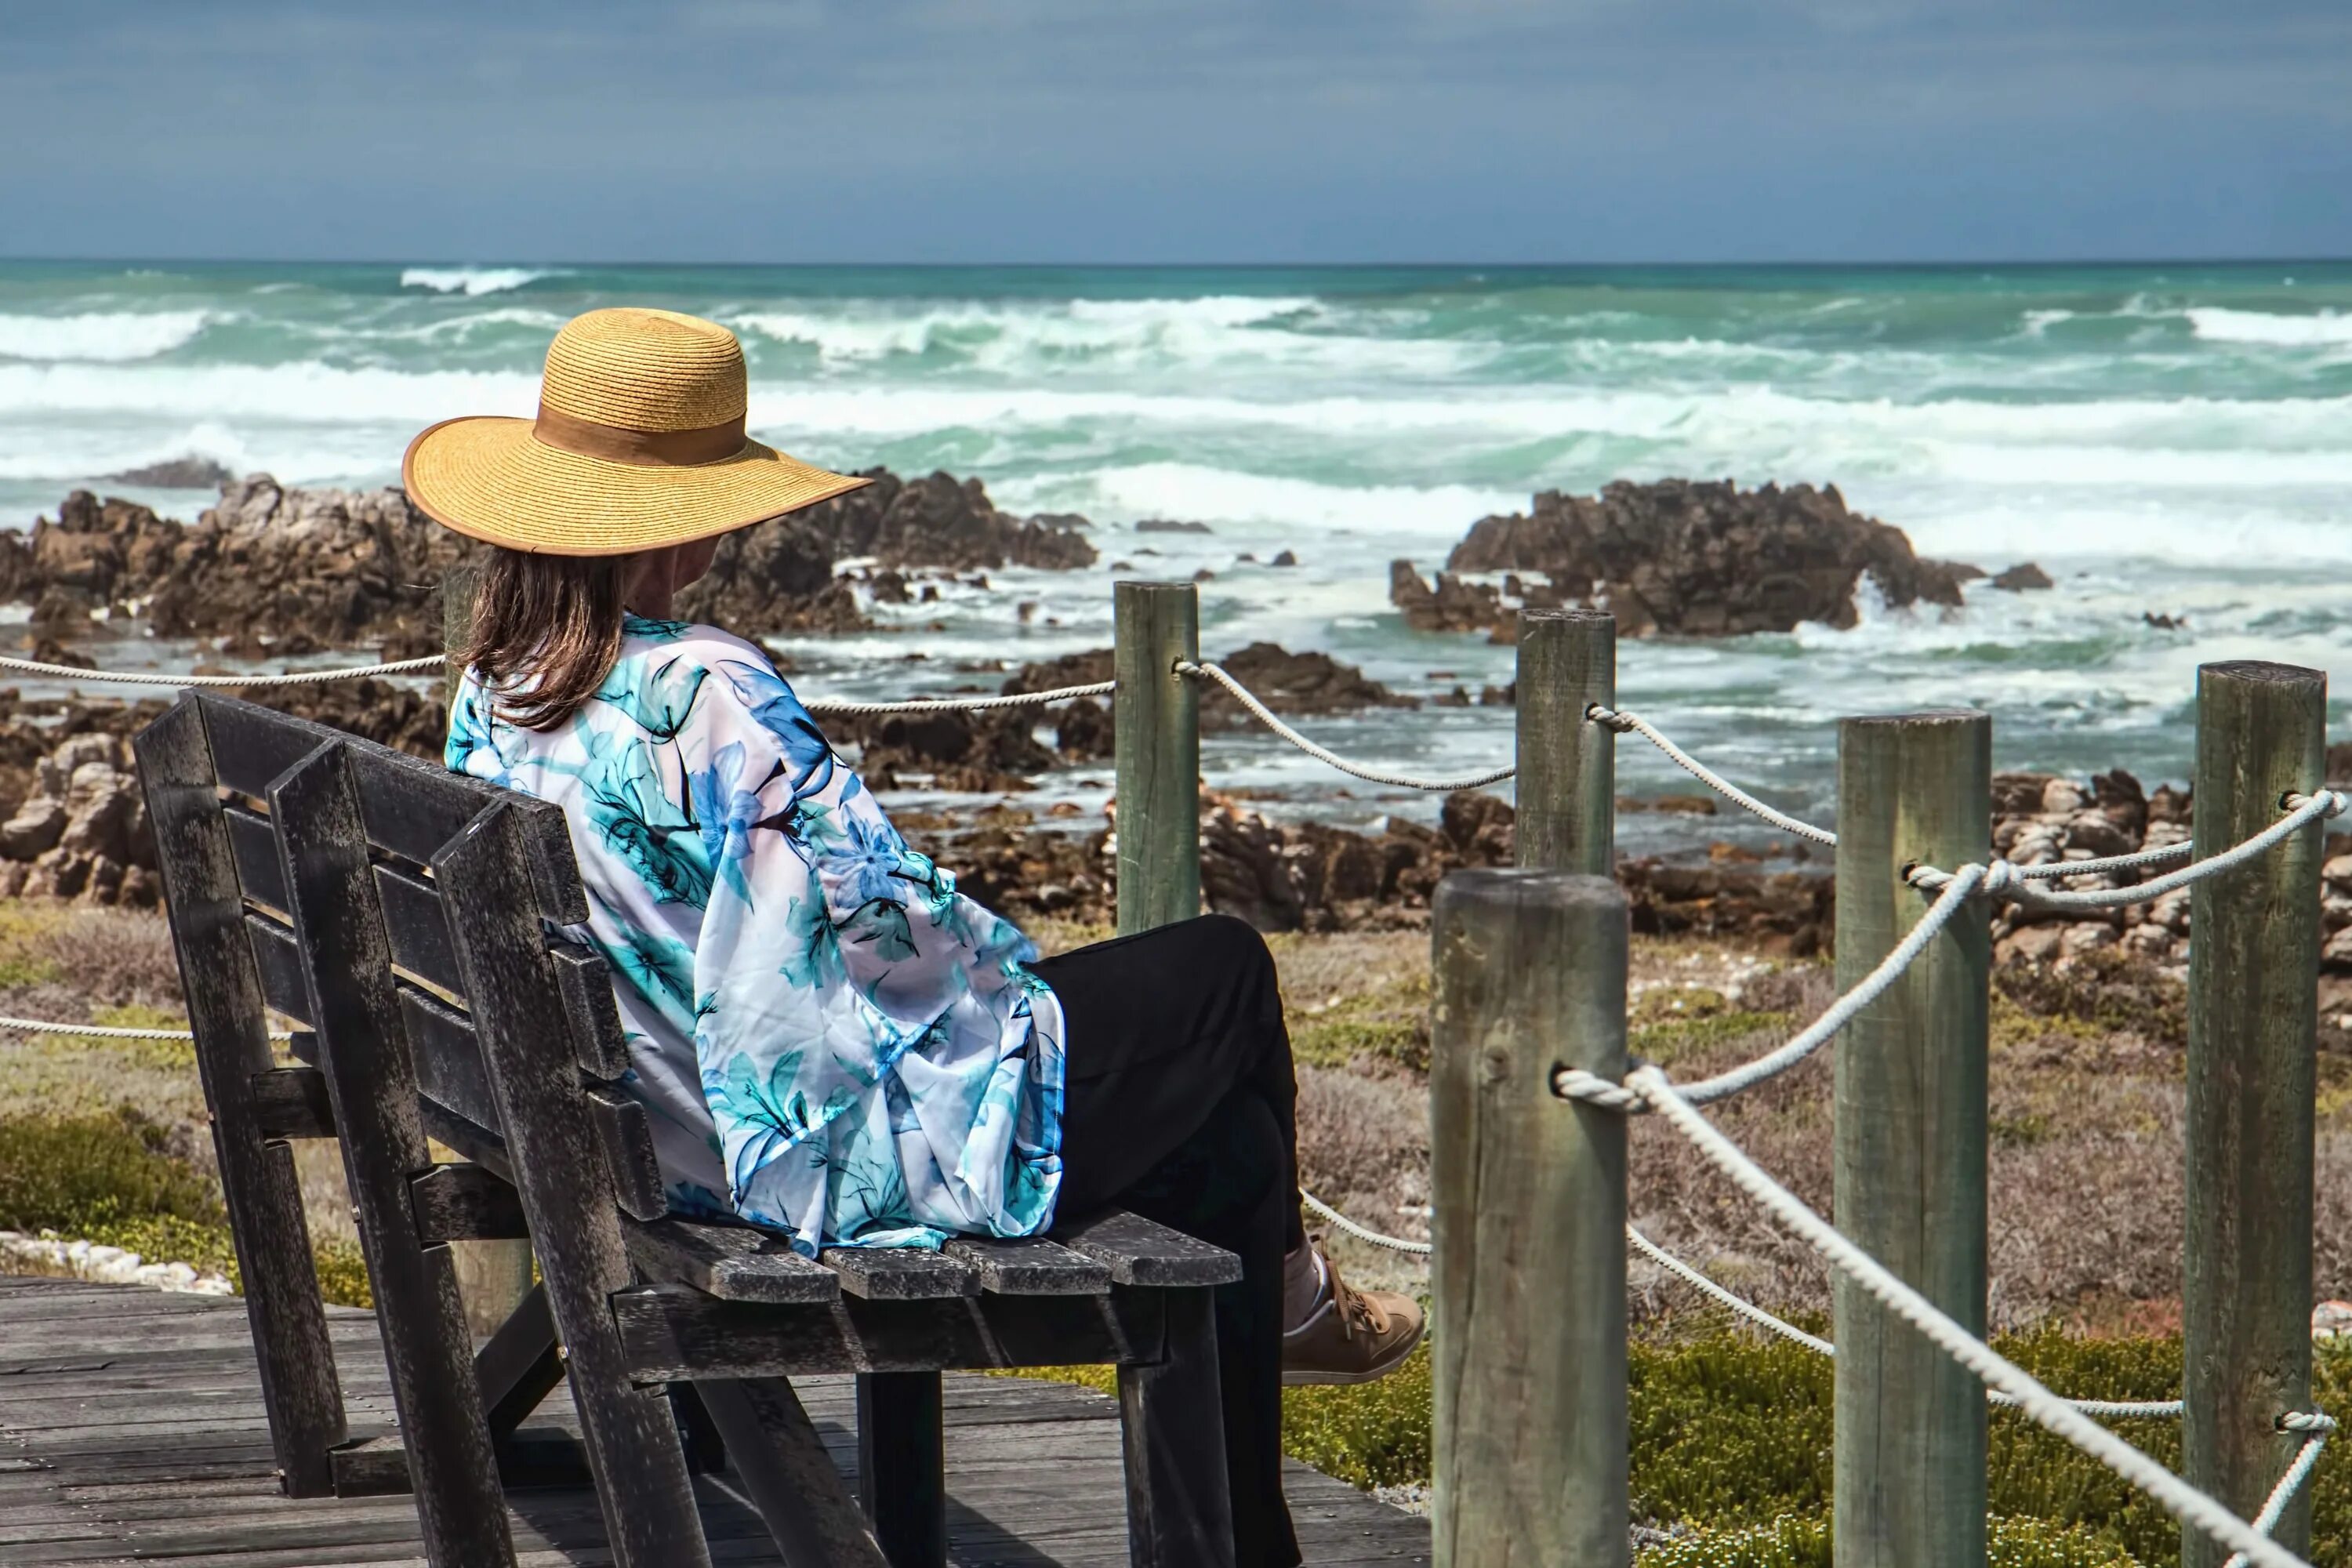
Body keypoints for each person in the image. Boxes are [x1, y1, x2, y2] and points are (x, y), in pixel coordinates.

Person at [405, 307, 1420, 1566]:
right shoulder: (710, 693)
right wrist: (1013, 974)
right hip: (777, 1154)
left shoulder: (499, 680)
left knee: (1232, 1148)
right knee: (1224, 970)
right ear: (706, 515)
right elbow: (890, 942)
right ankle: (1294, 1311)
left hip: (624, 1122)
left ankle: (1261, 1470)